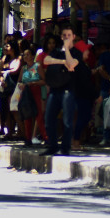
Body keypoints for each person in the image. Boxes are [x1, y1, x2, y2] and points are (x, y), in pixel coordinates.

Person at [41, 24, 83, 156]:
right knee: (48, 119)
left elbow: (72, 63)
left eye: (68, 36)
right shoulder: (56, 51)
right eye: (64, 35)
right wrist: (61, 62)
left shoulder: (77, 52)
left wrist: (66, 52)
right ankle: (53, 146)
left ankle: (65, 148)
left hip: (68, 90)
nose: (66, 38)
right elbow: (46, 60)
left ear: (73, 37)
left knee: (67, 121)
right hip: (54, 89)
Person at [0, 39, 21, 138]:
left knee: (14, 109)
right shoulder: (4, 59)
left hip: (13, 87)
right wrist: (0, 78)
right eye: (5, 46)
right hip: (4, 87)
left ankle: (21, 132)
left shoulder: (18, 59)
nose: (5, 48)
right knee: (5, 110)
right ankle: (9, 132)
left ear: (13, 48)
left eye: (7, 46)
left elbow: (15, 71)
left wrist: (5, 72)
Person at [19, 47, 47, 146]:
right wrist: (21, 85)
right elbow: (19, 81)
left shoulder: (37, 66)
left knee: (38, 114)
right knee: (27, 115)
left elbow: (43, 81)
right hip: (26, 92)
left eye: (28, 54)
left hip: (36, 91)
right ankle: (28, 138)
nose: (25, 56)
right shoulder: (23, 68)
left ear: (32, 56)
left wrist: (33, 83)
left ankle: (45, 137)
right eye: (24, 55)